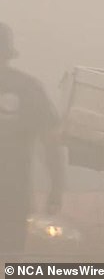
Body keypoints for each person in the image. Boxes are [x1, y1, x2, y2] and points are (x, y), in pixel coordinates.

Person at [0, 22, 64, 252]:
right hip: (12, 194)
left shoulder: (28, 88)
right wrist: (56, 189)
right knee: (10, 259)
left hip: (12, 195)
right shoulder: (27, 88)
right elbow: (51, 145)